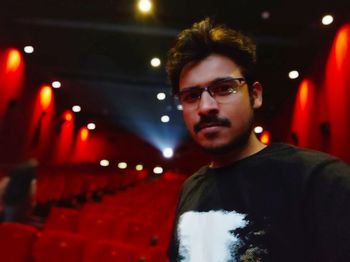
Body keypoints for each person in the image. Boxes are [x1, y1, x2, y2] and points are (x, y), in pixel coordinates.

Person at [165, 18, 350, 262]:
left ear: (255, 95)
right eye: (192, 95)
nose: (206, 106)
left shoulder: (321, 180)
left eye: (224, 88)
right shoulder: (190, 188)